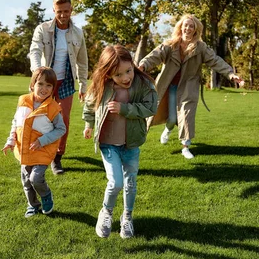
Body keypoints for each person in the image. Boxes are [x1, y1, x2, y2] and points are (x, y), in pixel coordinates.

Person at [138, 14, 245, 159]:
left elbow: (215, 61)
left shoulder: (200, 48)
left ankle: (185, 147)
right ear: (180, 27)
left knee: (187, 115)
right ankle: (168, 129)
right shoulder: (170, 45)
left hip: (189, 86)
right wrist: (144, 64)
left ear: (195, 30)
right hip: (169, 86)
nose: (188, 28)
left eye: (191, 26)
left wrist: (231, 74)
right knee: (171, 118)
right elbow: (155, 55)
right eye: (185, 25)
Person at [83, 45, 158, 239]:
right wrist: (89, 124)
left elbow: (151, 108)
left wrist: (125, 109)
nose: (126, 78)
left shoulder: (142, 83)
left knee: (130, 183)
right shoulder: (102, 85)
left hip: (131, 144)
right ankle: (106, 212)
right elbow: (90, 105)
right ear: (108, 74)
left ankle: (127, 218)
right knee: (115, 182)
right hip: (108, 144)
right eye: (118, 75)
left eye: (128, 71)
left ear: (133, 65)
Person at [28, 0, 88, 175]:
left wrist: (83, 85)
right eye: (59, 11)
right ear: (54, 11)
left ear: (71, 11)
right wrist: (38, 73)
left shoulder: (78, 33)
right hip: (45, 81)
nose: (63, 15)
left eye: (66, 11)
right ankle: (35, 150)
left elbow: (82, 61)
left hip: (66, 82)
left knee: (63, 120)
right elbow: (35, 50)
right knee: (38, 117)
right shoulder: (43, 29)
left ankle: (57, 157)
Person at [2, 67, 66, 217]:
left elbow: (61, 129)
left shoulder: (53, 108)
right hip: (24, 148)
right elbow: (16, 122)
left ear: (53, 88)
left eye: (49, 85)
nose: (44, 88)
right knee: (26, 181)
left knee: (35, 178)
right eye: (40, 84)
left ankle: (46, 195)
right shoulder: (23, 101)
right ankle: (33, 205)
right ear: (32, 85)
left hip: (43, 150)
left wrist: (43, 140)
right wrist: (11, 140)